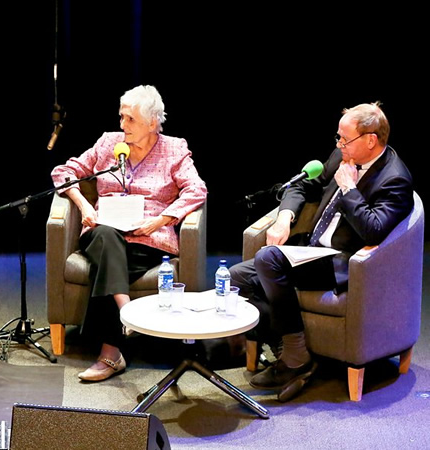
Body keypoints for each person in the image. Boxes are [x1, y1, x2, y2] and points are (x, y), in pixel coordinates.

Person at [230, 102, 413, 399]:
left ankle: (294, 358)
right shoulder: (342, 155)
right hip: (311, 250)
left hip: (343, 262)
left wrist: (349, 190)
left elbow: (374, 231)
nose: (339, 145)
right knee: (236, 279)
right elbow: (301, 186)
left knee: (267, 259)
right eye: (338, 137)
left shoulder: (395, 179)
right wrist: (284, 218)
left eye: (345, 139)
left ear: (371, 139)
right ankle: (291, 352)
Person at [51, 85, 207, 382]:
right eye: (121, 117)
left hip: (147, 239)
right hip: (102, 231)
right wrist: (84, 204)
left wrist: (160, 220)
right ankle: (127, 313)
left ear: (152, 122)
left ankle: (112, 352)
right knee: (107, 238)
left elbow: (197, 190)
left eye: (130, 120)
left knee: (111, 262)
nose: (123, 126)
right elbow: (63, 172)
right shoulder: (109, 143)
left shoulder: (174, 149)